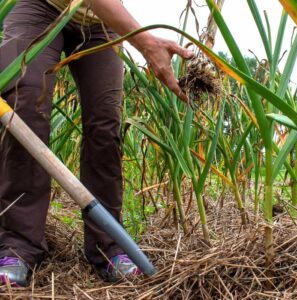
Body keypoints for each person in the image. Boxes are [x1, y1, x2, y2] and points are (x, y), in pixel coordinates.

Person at [0, 0, 193, 285]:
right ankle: (18, 245)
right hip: (39, 6)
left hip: (100, 22)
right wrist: (146, 42)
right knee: (25, 111)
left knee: (106, 126)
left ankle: (109, 245)